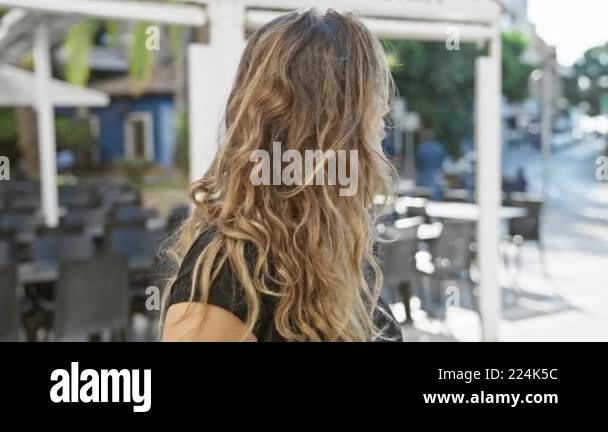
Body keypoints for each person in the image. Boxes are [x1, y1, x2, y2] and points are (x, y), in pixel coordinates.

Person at [161, 9, 402, 342]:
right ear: (333, 130)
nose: (384, 112)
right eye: (373, 97)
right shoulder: (228, 268)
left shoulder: (336, 249)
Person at [416, 129, 445, 200]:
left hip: (424, 174)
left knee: (423, 195)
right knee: (436, 193)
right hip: (436, 174)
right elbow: (442, 163)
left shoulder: (421, 148)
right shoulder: (439, 148)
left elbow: (418, 163)